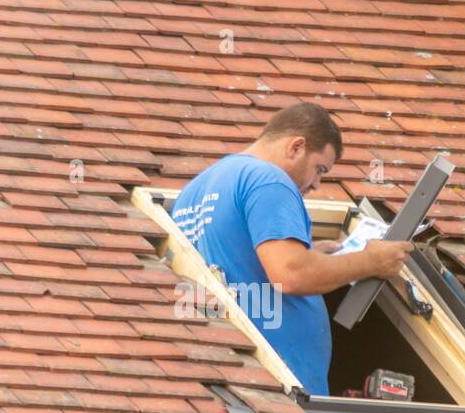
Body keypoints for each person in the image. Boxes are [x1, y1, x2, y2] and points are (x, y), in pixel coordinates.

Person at [171, 102, 412, 396]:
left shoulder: (194, 191)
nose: (316, 185)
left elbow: (239, 261)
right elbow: (291, 274)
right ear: (296, 147)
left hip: (236, 380)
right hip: (278, 387)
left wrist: (309, 254)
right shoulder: (269, 180)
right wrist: (371, 262)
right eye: (319, 169)